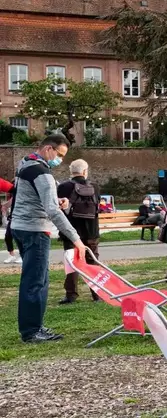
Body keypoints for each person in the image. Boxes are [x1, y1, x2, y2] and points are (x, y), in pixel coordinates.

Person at [11, 134, 84, 343]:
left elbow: (35, 197)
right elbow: (52, 210)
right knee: (36, 282)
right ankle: (32, 331)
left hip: (21, 227)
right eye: (59, 155)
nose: (59, 160)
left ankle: (32, 328)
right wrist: (75, 238)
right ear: (48, 149)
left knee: (32, 280)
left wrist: (58, 199)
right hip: (35, 229)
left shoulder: (25, 164)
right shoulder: (42, 172)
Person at [56, 159, 101, 305]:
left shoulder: (63, 187)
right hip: (92, 230)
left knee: (71, 262)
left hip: (71, 231)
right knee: (92, 262)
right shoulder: (95, 187)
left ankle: (71, 294)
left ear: (71, 171)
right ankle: (97, 293)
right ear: (85, 171)